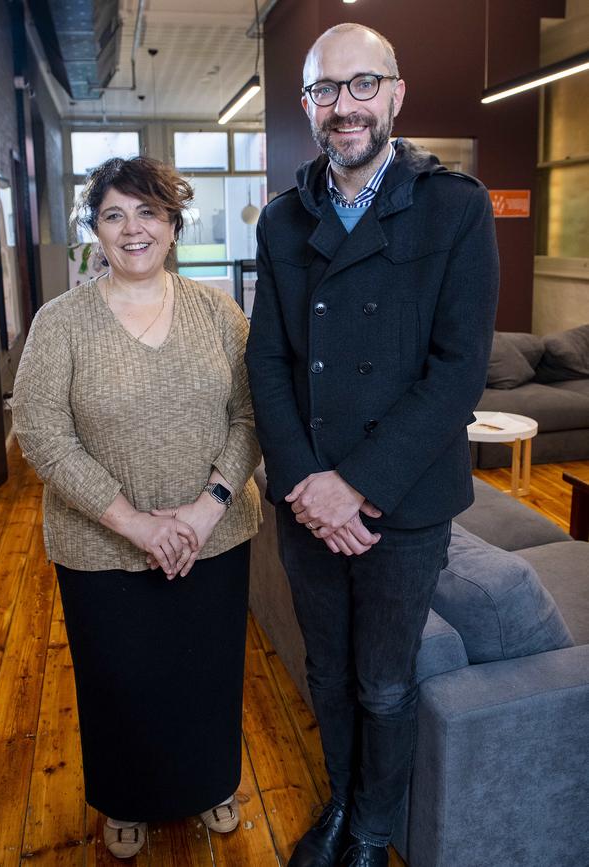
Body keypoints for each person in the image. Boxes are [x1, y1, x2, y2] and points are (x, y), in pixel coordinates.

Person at [245, 23, 499, 867]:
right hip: (307, 497)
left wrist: (353, 486)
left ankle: (373, 830)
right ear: (307, 105)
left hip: (405, 499)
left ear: (395, 95)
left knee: (386, 682)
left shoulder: (456, 207)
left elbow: (458, 373)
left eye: (362, 86)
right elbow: (269, 362)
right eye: (326, 90)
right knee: (328, 674)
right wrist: (305, 484)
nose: (343, 105)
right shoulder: (284, 219)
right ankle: (344, 801)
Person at [13, 156, 261, 860]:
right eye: (115, 214)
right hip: (100, 548)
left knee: (207, 671)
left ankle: (211, 782)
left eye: (148, 212)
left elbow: (249, 417)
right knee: (119, 677)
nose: (133, 228)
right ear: (95, 230)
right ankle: (125, 799)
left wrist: (207, 509)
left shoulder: (219, 311)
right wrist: (136, 523)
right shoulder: (60, 322)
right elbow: (42, 436)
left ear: (174, 225)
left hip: (215, 536)